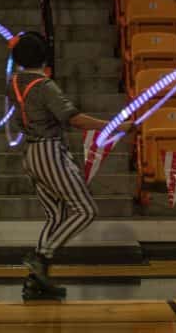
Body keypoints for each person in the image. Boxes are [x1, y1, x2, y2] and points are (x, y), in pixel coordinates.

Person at [8, 32, 131, 300]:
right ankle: (41, 256)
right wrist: (113, 126)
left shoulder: (13, 82)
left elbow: (16, 121)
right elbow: (73, 118)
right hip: (48, 151)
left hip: (30, 153)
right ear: (44, 57)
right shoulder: (44, 85)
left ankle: (36, 282)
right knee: (86, 210)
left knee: (56, 215)